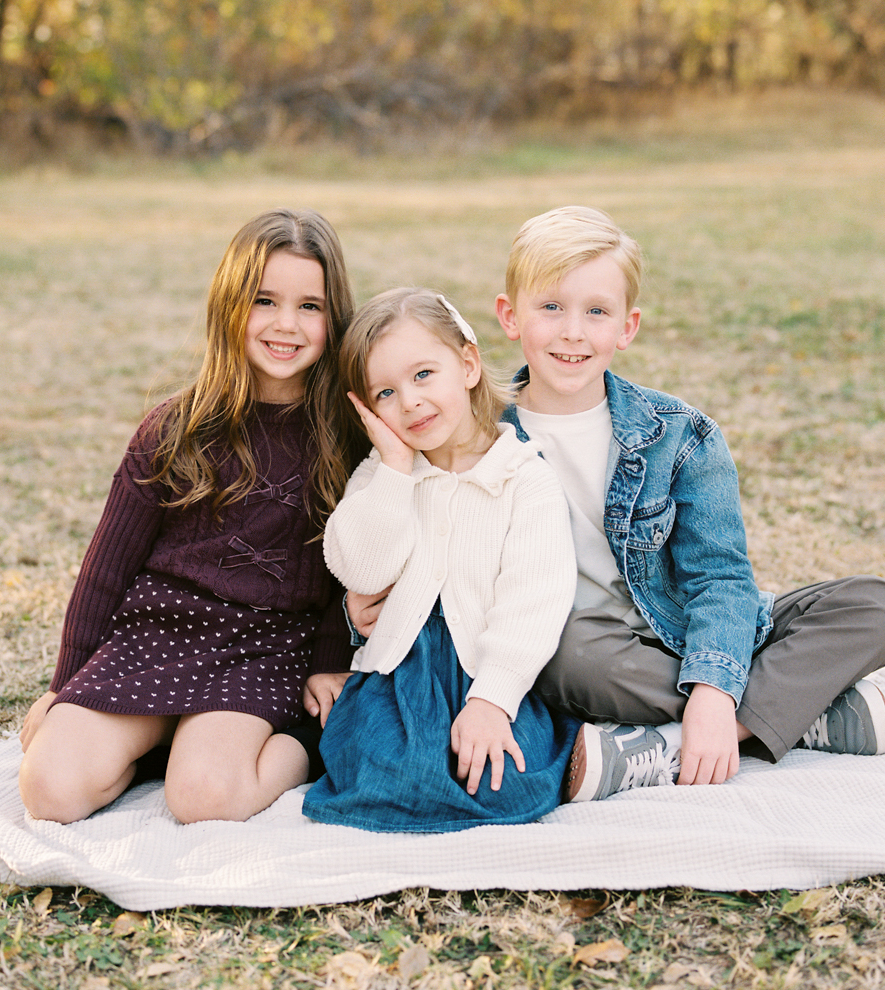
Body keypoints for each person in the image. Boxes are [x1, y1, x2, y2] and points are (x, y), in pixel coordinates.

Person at [489, 204, 885, 802]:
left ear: (627, 326)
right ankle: (809, 714)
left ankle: (688, 738)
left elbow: (720, 577)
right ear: (509, 316)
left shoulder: (680, 433)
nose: (573, 331)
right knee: (566, 654)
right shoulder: (479, 438)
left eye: (596, 311)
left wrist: (715, 689)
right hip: (587, 652)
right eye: (551, 307)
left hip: (684, 630)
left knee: (872, 604)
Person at [19, 208, 364, 825]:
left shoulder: (345, 436)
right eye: (264, 300)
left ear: (333, 317)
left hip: (263, 646)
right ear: (230, 305)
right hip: (154, 634)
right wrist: (63, 684)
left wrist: (328, 665)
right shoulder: (173, 429)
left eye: (309, 306)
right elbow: (104, 572)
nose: (286, 324)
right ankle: (160, 739)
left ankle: (299, 751)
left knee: (205, 798)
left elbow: (348, 568)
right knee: (49, 788)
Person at [301, 288, 579, 832]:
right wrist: (396, 468)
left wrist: (493, 701)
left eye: (424, 374)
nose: (410, 402)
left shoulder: (524, 478)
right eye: (386, 392)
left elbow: (535, 600)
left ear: (469, 364)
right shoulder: (385, 477)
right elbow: (359, 570)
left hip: (484, 670)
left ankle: (592, 752)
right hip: (397, 678)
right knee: (380, 771)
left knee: (506, 777)